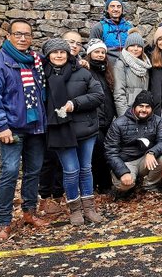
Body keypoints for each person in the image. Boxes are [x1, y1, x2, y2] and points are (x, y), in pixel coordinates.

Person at [0, 20, 50, 240]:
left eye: (27, 34)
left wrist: (80, 62)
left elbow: (59, 61)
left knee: (33, 171)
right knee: (9, 174)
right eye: (18, 34)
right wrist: (0, 126)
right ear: (8, 36)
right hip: (12, 130)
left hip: (35, 127)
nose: (23, 38)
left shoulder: (35, 61)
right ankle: (4, 222)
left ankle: (29, 212)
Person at [41, 39, 106, 226]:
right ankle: (75, 209)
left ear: (68, 53)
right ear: (48, 55)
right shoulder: (41, 75)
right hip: (59, 130)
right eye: (55, 52)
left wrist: (75, 104)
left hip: (85, 128)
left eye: (62, 51)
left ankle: (89, 208)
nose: (59, 55)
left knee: (85, 169)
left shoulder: (82, 72)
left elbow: (98, 95)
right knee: (71, 171)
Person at [104, 91, 162, 197]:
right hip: (126, 162)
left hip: (145, 159)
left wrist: (152, 152)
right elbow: (110, 151)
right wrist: (123, 172)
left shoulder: (157, 121)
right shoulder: (119, 123)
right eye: (140, 106)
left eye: (147, 107)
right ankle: (126, 186)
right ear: (134, 106)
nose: (144, 110)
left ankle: (149, 185)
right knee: (125, 185)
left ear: (152, 108)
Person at [85, 39, 117, 192]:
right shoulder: (86, 71)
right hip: (93, 120)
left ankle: (104, 185)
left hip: (107, 120)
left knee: (105, 152)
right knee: (96, 154)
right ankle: (96, 186)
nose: (100, 55)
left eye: (103, 52)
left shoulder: (106, 72)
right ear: (90, 53)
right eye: (96, 52)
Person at [112, 31, 151, 116]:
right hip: (128, 111)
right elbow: (119, 93)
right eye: (132, 45)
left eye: (139, 46)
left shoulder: (145, 65)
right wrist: (124, 115)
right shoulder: (121, 64)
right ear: (127, 47)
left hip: (142, 111)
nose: (135, 49)